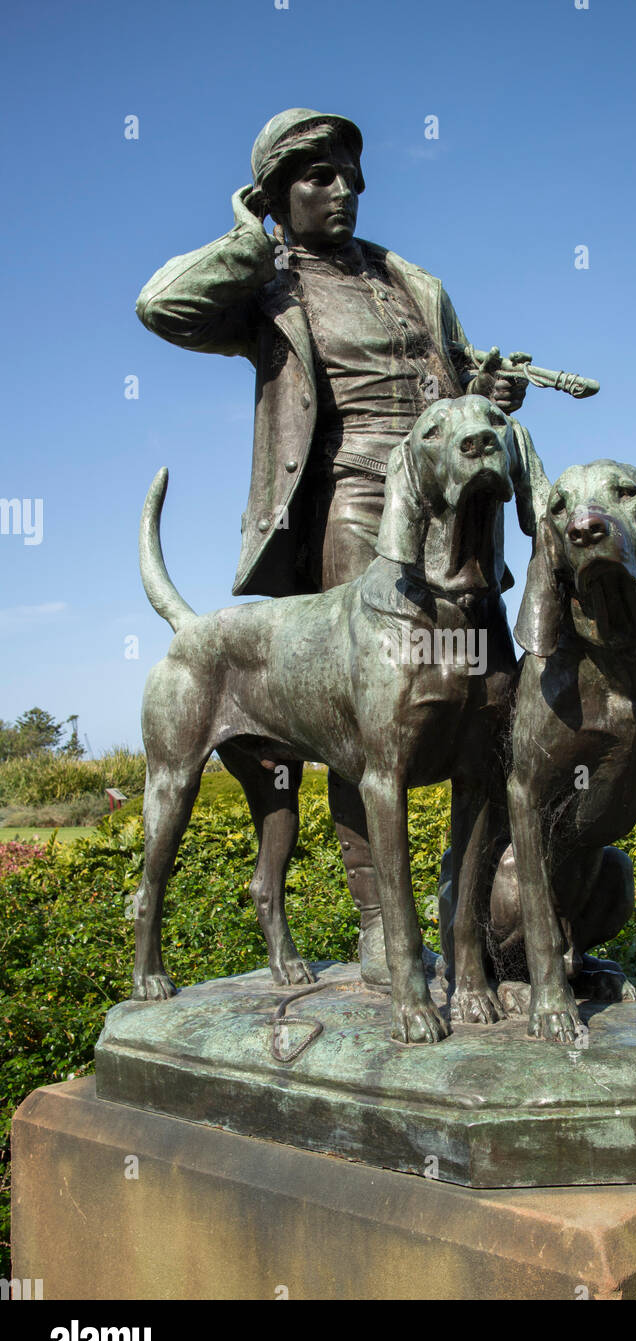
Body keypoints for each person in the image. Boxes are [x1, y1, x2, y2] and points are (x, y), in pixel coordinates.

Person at [136, 107, 534, 983]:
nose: (344, 190)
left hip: (454, 512)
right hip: (355, 502)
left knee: (486, 702)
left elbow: (457, 385)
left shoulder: (412, 280)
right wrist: (250, 240)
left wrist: (490, 389)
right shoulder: (271, 281)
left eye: (351, 175)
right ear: (277, 193)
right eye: (318, 177)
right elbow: (160, 304)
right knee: (374, 715)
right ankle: (377, 933)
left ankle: (467, 934)